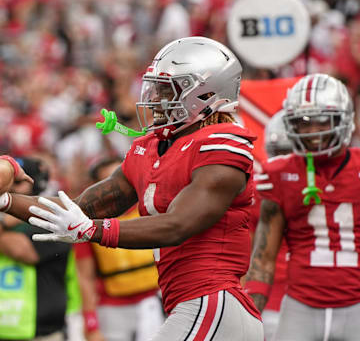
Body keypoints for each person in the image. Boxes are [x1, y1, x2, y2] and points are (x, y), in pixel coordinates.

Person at [3, 37, 263, 340]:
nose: (155, 99)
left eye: (169, 90)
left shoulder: (222, 144)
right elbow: (77, 209)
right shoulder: (150, 148)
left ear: (205, 93)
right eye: (156, 88)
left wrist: (92, 230)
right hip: (188, 303)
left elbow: (178, 225)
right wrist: (6, 200)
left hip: (213, 301)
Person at [246, 73, 360, 341]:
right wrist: (249, 319)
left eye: (321, 120)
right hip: (301, 305)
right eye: (303, 123)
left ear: (342, 119)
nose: (313, 132)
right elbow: (262, 260)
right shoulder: (279, 173)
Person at [75, 156, 163, 341]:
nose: (120, 190)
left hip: (156, 301)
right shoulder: (85, 222)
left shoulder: (151, 207)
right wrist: (91, 322)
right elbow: (85, 277)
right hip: (112, 307)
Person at [0, 157, 80, 341]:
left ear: (36, 183)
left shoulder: (52, 218)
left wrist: (5, 220)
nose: (8, 187)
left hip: (41, 331)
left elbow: (21, 251)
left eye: (17, 183)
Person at [247, 110, 292, 341]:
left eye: (288, 154)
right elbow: (251, 255)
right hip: (271, 294)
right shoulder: (260, 189)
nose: (283, 163)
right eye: (278, 154)